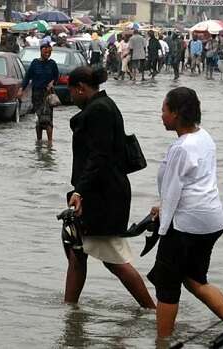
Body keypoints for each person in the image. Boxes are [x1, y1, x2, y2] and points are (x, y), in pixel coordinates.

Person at [148, 87, 223, 338]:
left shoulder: (181, 147)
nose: (161, 115)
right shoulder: (204, 136)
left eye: (164, 110)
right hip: (210, 220)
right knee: (195, 280)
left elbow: (174, 189)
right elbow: (193, 182)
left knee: (167, 288)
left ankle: (163, 343)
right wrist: (163, 206)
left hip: (186, 225)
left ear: (176, 114)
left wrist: (163, 229)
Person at [65, 66, 156, 309]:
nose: (70, 97)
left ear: (81, 88)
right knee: (77, 252)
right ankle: (69, 312)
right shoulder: (102, 106)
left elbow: (99, 156)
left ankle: (151, 310)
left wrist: (79, 191)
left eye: (71, 91)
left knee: (113, 258)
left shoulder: (99, 111)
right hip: (98, 191)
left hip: (102, 196)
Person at [18, 43, 59, 142]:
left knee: (48, 119)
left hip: (48, 95)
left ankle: (50, 143)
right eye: (45, 52)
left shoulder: (52, 64)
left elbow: (56, 77)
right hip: (36, 95)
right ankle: (39, 141)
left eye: (49, 52)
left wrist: (52, 83)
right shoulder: (35, 63)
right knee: (39, 119)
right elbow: (27, 78)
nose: (47, 54)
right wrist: (21, 89)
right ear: (41, 51)